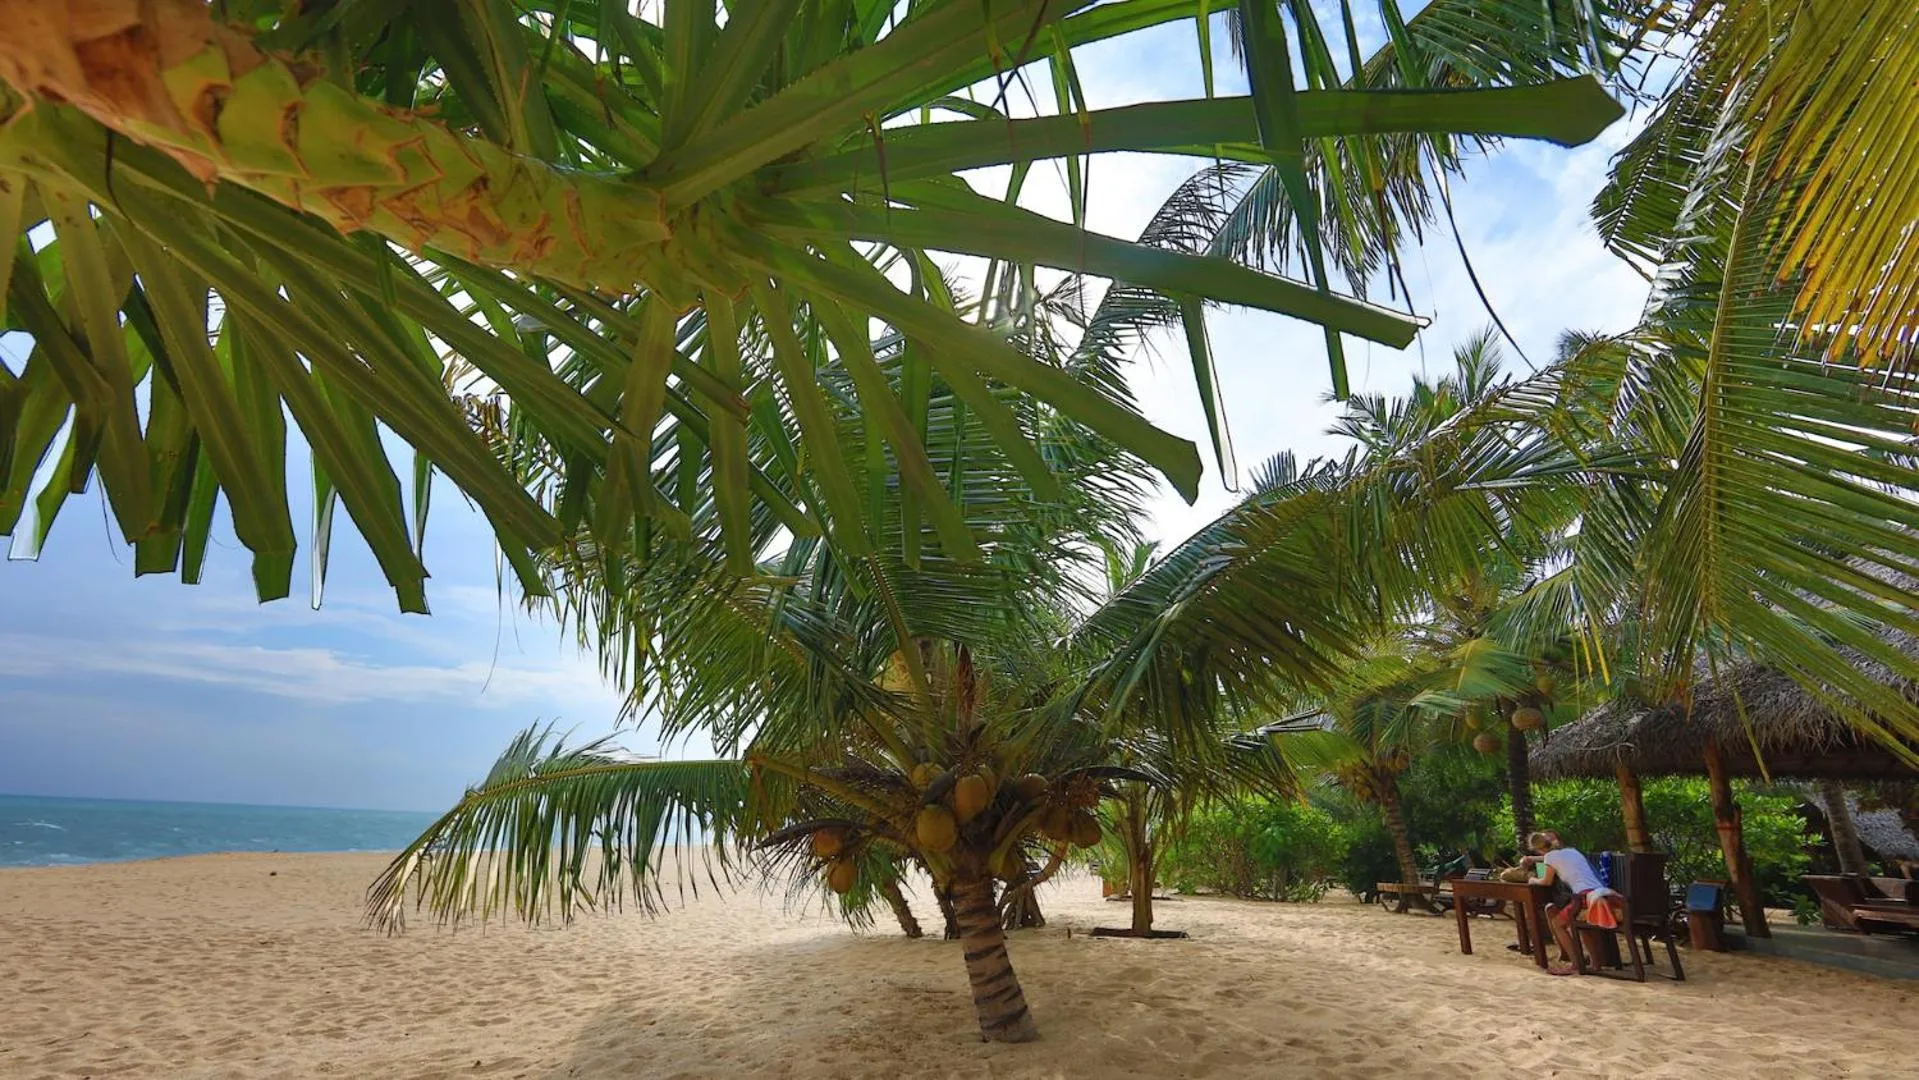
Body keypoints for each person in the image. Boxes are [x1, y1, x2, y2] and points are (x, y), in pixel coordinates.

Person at [1525, 831, 1623, 976]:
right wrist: (1534, 859)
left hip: (1584, 897)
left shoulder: (1550, 857)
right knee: (1582, 926)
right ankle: (1595, 964)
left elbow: (1546, 881)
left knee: (1558, 924)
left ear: (1539, 849)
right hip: (1601, 893)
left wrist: (1532, 880)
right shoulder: (1573, 851)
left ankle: (1576, 964)